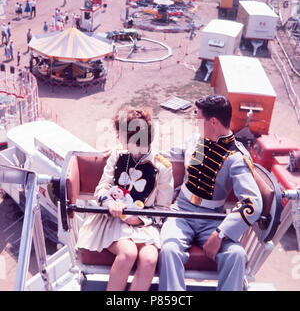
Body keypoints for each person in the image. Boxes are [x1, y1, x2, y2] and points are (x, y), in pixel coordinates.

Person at [158, 94, 262, 291]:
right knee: (170, 249)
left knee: (236, 255)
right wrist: (127, 150)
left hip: (212, 219)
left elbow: (252, 203)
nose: (195, 124)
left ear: (213, 121)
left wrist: (220, 234)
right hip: (180, 212)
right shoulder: (195, 140)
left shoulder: (236, 157)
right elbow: (166, 154)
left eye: (198, 118)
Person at [76, 106, 174, 291]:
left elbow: (163, 209)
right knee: (128, 253)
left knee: (149, 259)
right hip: (113, 219)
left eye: (120, 134)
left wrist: (140, 219)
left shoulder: (162, 167)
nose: (117, 138)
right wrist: (109, 202)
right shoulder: (118, 155)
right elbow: (102, 187)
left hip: (144, 225)